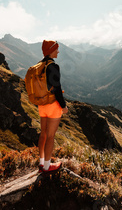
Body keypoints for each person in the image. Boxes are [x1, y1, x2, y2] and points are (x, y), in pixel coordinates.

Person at [38, 40, 68, 173]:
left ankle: (41, 162)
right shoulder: (53, 66)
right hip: (52, 105)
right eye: (56, 49)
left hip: (42, 105)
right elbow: (57, 88)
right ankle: (47, 167)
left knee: (43, 134)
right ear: (50, 51)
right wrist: (64, 106)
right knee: (50, 136)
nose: (58, 51)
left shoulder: (40, 65)